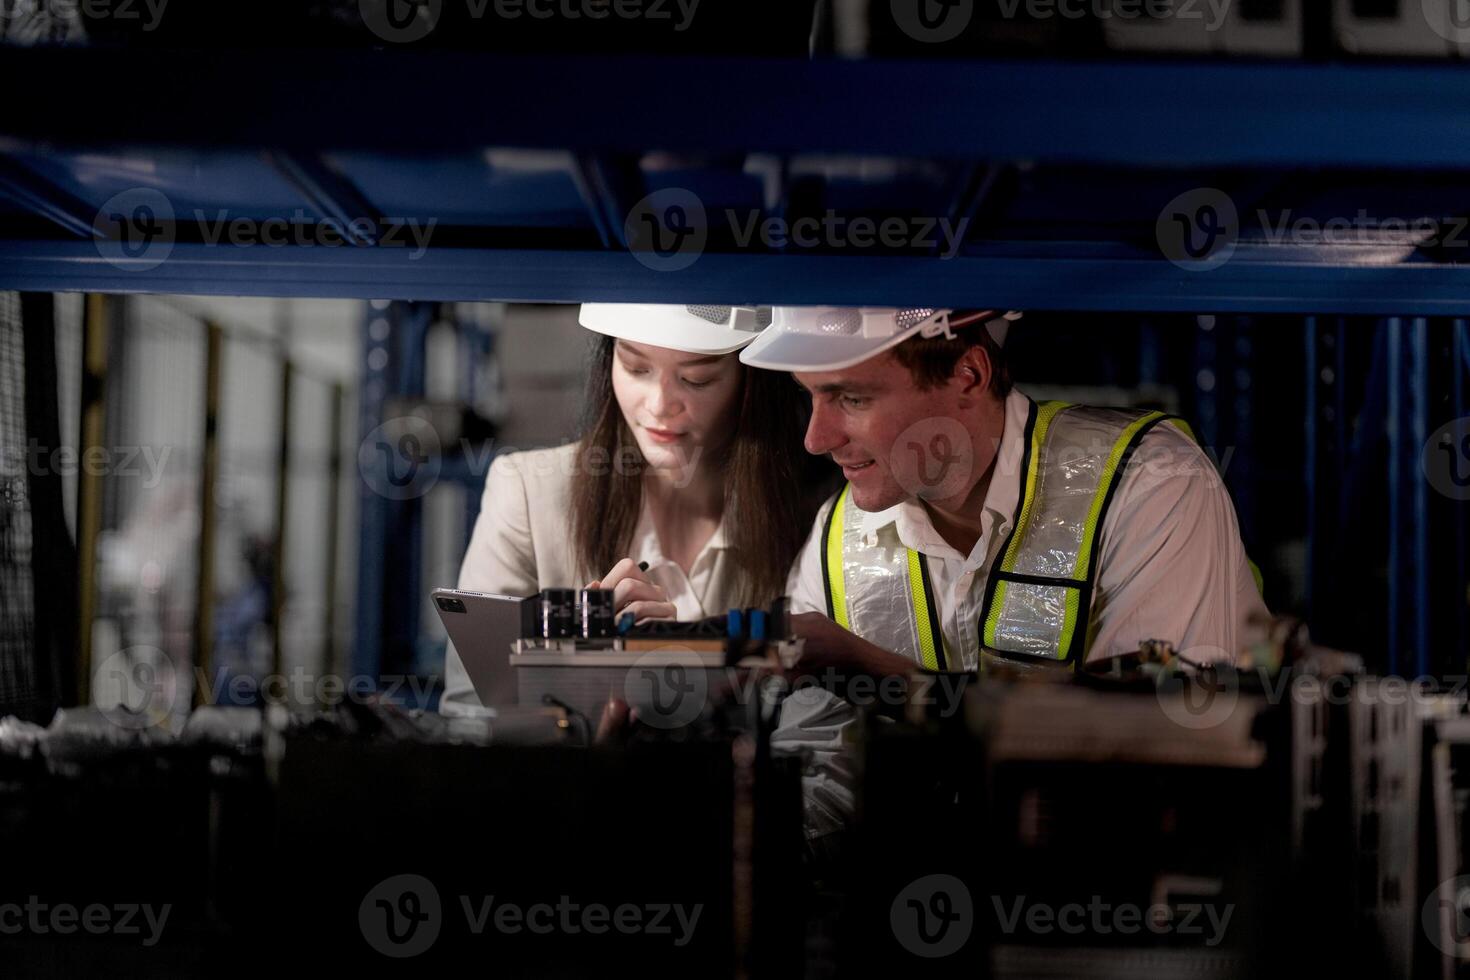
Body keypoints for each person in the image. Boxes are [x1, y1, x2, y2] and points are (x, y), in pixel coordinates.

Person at [739, 306, 1269, 839]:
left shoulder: (1152, 483)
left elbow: (1149, 766)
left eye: (852, 398)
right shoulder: (838, 534)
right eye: (810, 396)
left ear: (969, 375)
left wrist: (884, 676)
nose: (816, 437)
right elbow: (821, 798)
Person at [439, 304, 831, 716]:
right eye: (635, 368)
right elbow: (471, 718)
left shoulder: (810, 514)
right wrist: (584, 674)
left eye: (696, 379)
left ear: (752, 381)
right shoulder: (528, 494)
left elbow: (815, 727)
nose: (660, 404)